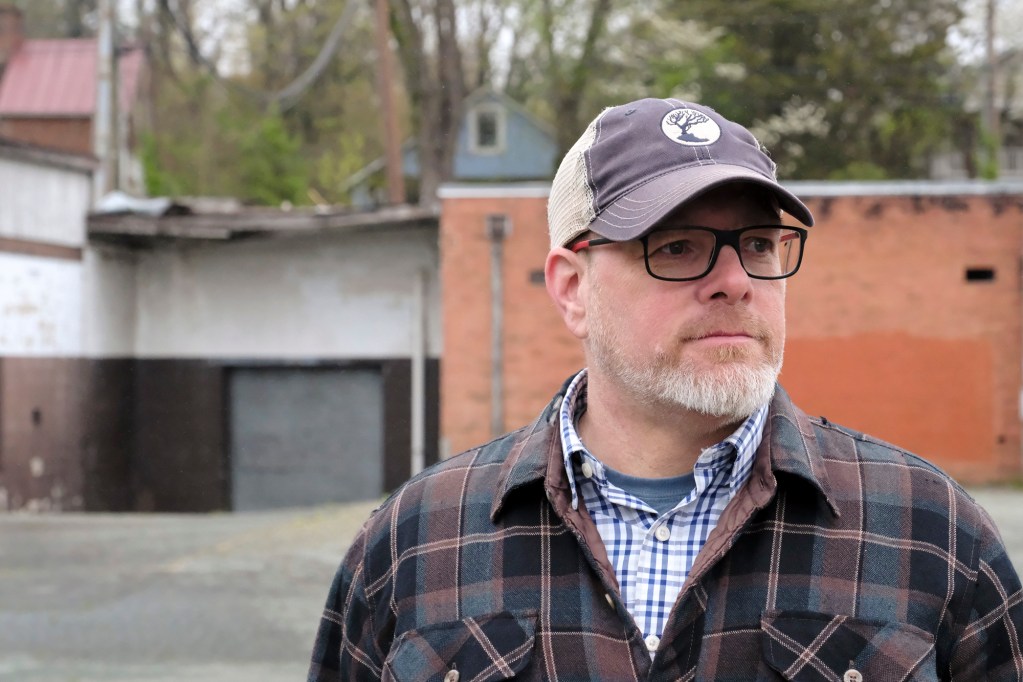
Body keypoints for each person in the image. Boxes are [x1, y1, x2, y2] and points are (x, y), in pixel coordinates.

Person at [308, 98, 1023, 681]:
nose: (735, 282)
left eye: (757, 245)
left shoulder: (929, 534)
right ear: (571, 289)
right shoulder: (416, 544)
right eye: (676, 246)